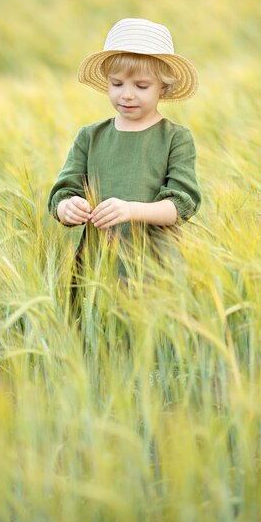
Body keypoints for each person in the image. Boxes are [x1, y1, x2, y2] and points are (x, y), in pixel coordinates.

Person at [47, 18, 202, 309]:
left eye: (141, 85)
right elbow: (61, 194)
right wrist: (68, 208)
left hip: (154, 266)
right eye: (116, 84)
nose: (126, 94)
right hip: (96, 266)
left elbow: (181, 206)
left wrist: (130, 209)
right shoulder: (90, 137)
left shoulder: (175, 139)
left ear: (163, 89)